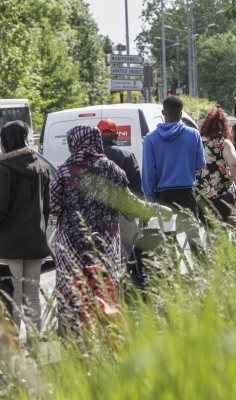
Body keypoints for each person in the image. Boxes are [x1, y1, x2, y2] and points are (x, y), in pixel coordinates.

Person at [51, 125, 171, 335]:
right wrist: (158, 209)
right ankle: (107, 335)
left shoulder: (64, 171)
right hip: (104, 243)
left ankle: (72, 338)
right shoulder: (112, 169)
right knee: (105, 291)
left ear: (74, 143)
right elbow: (130, 205)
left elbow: (53, 207)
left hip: (71, 244)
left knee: (72, 291)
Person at [0, 121, 50, 333]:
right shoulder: (42, 167)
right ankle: (35, 346)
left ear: (7, 140)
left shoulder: (4, 170)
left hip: (9, 242)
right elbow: (46, 207)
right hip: (35, 239)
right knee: (32, 296)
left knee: (13, 297)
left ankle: (15, 347)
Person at [142, 96, 205, 255]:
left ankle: (170, 273)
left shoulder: (151, 138)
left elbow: (149, 172)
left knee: (166, 238)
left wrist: (150, 197)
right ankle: (203, 272)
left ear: (163, 112)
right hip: (186, 193)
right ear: (181, 113)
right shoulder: (193, 134)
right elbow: (200, 165)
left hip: (162, 195)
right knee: (193, 237)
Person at [97, 118, 143, 258]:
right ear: (117, 136)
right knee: (131, 253)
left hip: (98, 213)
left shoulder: (89, 157)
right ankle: (131, 278)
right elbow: (136, 187)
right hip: (125, 212)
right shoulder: (126, 155)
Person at [194, 106, 236, 226]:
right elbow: (235, 162)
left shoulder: (196, 141)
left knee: (208, 229)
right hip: (222, 195)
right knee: (222, 231)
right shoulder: (223, 143)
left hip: (199, 195)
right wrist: (235, 179)